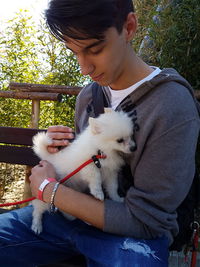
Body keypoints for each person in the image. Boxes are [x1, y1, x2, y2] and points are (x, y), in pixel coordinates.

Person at [0, 0, 199, 266]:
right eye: (74, 52)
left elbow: (147, 221)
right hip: (67, 219)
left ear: (129, 27)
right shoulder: (88, 96)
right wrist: (58, 157)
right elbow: (86, 175)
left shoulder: (171, 106)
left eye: (95, 49)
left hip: (130, 239)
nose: (84, 68)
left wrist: (49, 189)